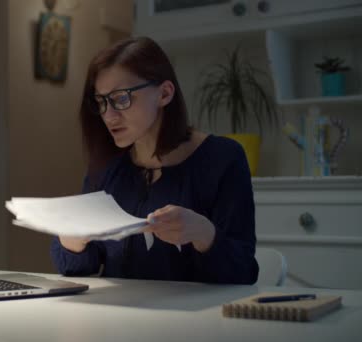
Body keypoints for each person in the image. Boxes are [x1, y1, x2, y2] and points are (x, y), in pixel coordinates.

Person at [50, 37, 258, 284]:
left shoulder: (223, 158)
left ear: (165, 93)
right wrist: (72, 240)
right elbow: (82, 269)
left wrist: (204, 235)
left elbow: (244, 272)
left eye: (121, 98)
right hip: (114, 317)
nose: (109, 115)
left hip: (194, 319)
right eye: (102, 101)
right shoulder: (107, 165)